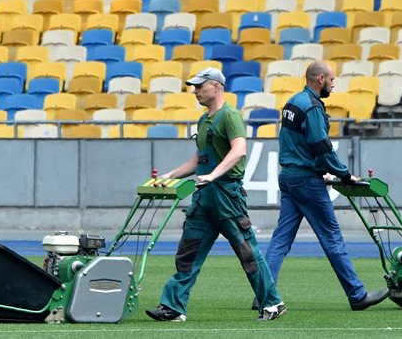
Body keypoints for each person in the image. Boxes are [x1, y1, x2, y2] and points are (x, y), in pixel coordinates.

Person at [146, 67, 286, 323]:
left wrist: (213, 175)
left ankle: (272, 303)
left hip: (226, 196)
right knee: (188, 252)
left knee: (247, 252)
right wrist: (170, 176)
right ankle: (173, 306)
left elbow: (239, 150)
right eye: (194, 86)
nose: (195, 91)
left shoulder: (230, 116)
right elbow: (199, 160)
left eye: (200, 86)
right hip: (203, 198)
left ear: (217, 87)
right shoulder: (203, 120)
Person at [262, 60, 389, 311]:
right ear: (320, 79)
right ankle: (357, 295)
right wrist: (344, 175)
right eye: (332, 79)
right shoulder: (312, 107)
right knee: (332, 239)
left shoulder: (292, 102)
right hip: (307, 181)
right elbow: (321, 148)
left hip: (288, 176)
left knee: (280, 241)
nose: (334, 83)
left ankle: (264, 294)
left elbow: (294, 144)